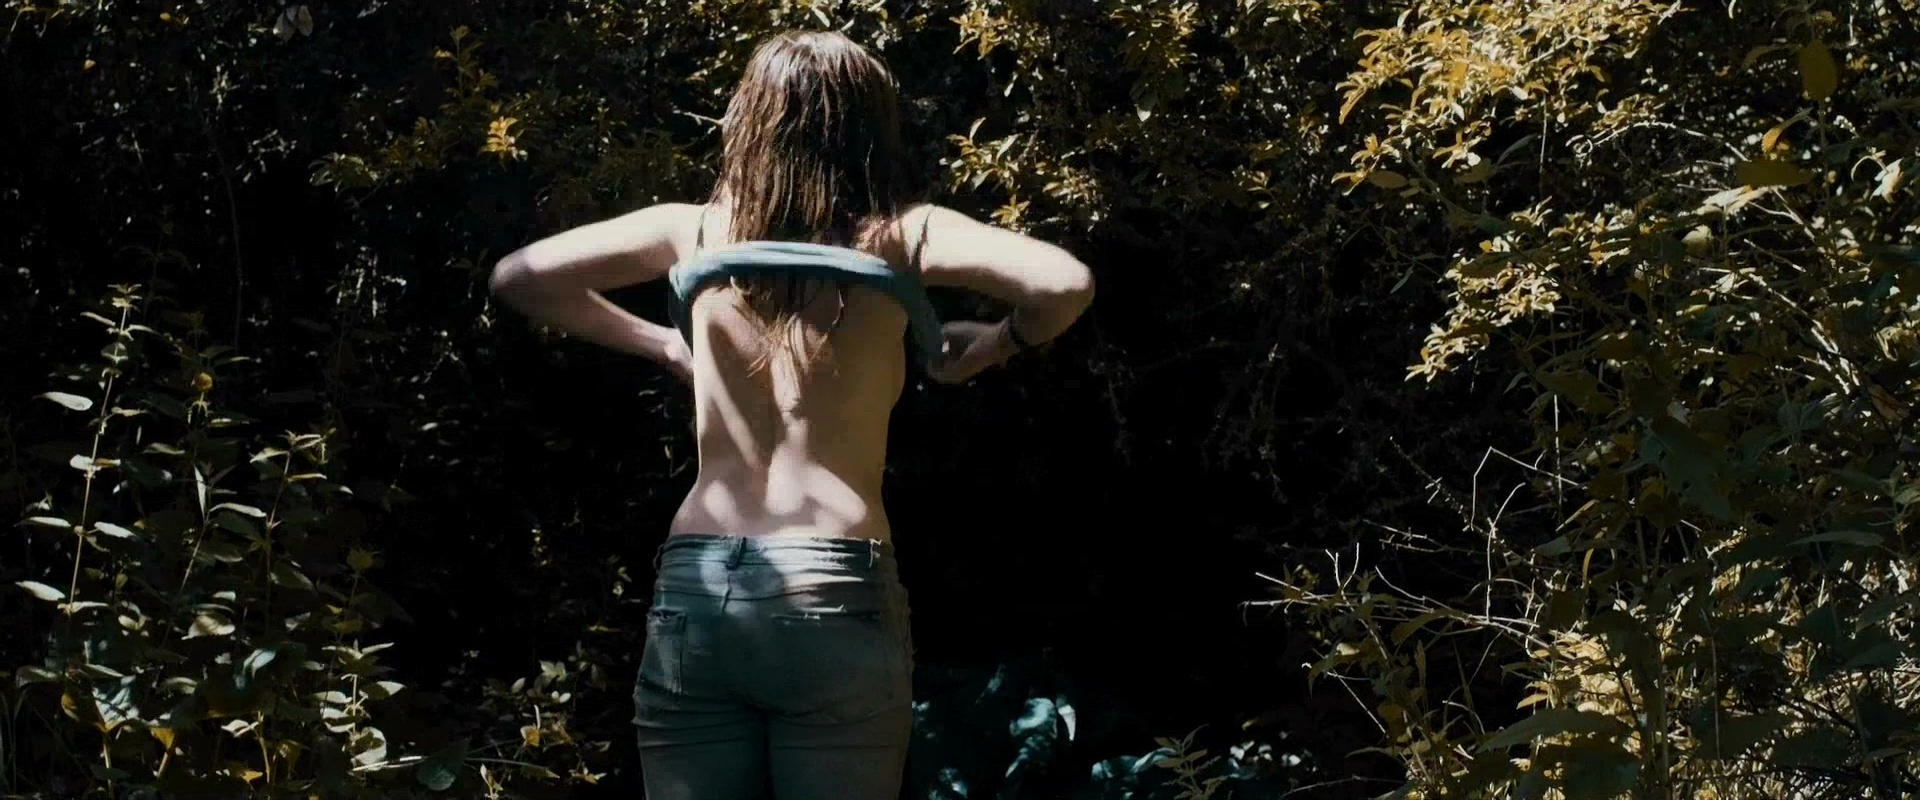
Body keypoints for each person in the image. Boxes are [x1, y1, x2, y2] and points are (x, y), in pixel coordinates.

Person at [487, 29, 1094, 800]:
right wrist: (993, 346)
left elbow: (519, 276)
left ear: (750, 119)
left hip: (701, 583)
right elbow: (1064, 283)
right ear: (870, 128)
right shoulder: (904, 236)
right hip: (832, 582)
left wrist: (665, 345)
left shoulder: (692, 230)